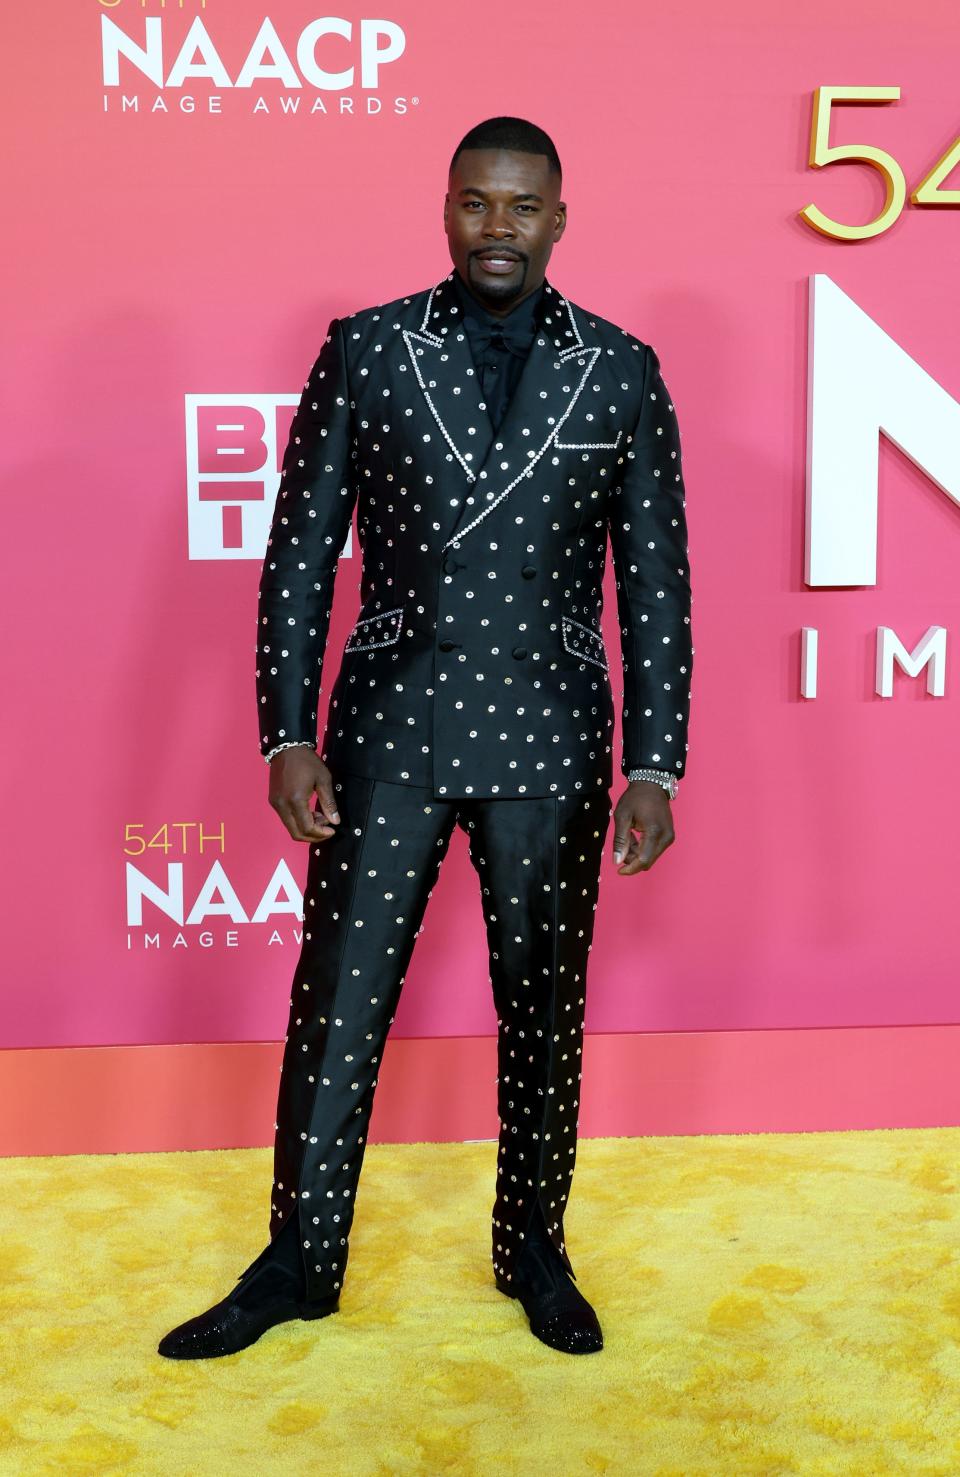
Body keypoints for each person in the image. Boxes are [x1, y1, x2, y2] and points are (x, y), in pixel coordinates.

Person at [158, 115, 693, 1361]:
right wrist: (285, 733)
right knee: (338, 1005)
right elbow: (298, 555)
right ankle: (298, 1259)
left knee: (543, 1010)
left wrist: (654, 763)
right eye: (474, 203)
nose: (495, 228)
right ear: (443, 209)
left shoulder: (620, 370)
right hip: (386, 729)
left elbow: (655, 581)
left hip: (551, 739)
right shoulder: (368, 349)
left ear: (560, 219)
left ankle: (534, 1251)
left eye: (521, 207)